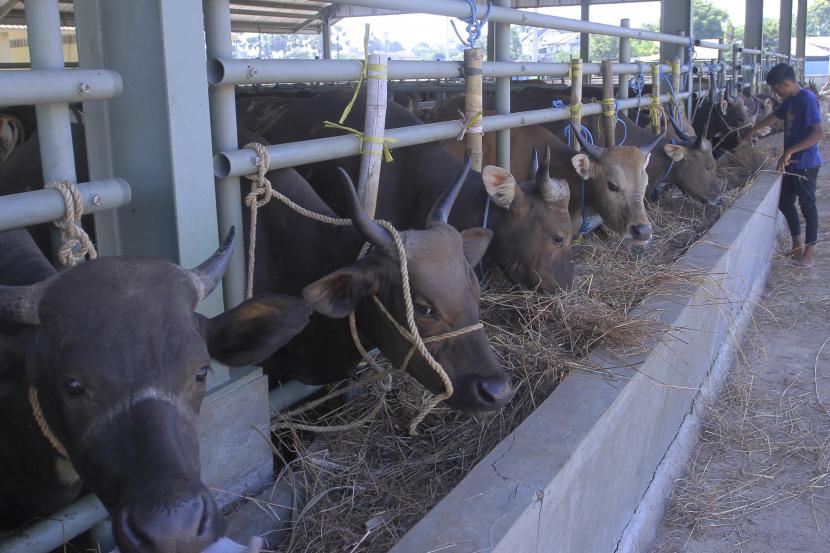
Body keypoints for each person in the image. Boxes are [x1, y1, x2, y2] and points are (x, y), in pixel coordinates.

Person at [741, 63, 823, 267]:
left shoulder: (807, 100)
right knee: (785, 202)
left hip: (806, 163)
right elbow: (774, 117)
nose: (775, 93)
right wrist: (752, 131)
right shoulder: (791, 101)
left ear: (786, 83)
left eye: (776, 88)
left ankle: (808, 255)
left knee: (808, 207)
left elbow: (818, 133)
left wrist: (790, 150)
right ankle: (796, 246)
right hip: (791, 163)